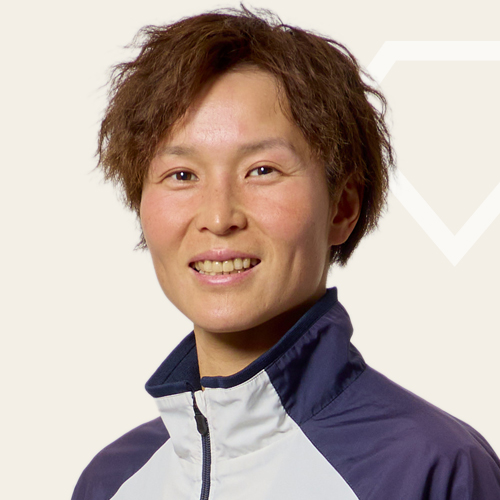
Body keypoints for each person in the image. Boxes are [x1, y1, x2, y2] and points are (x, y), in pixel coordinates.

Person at [71, 7, 500, 500]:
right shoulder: (111, 482)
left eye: (262, 170)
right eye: (182, 175)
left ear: (342, 207)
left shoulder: (430, 467)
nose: (219, 216)